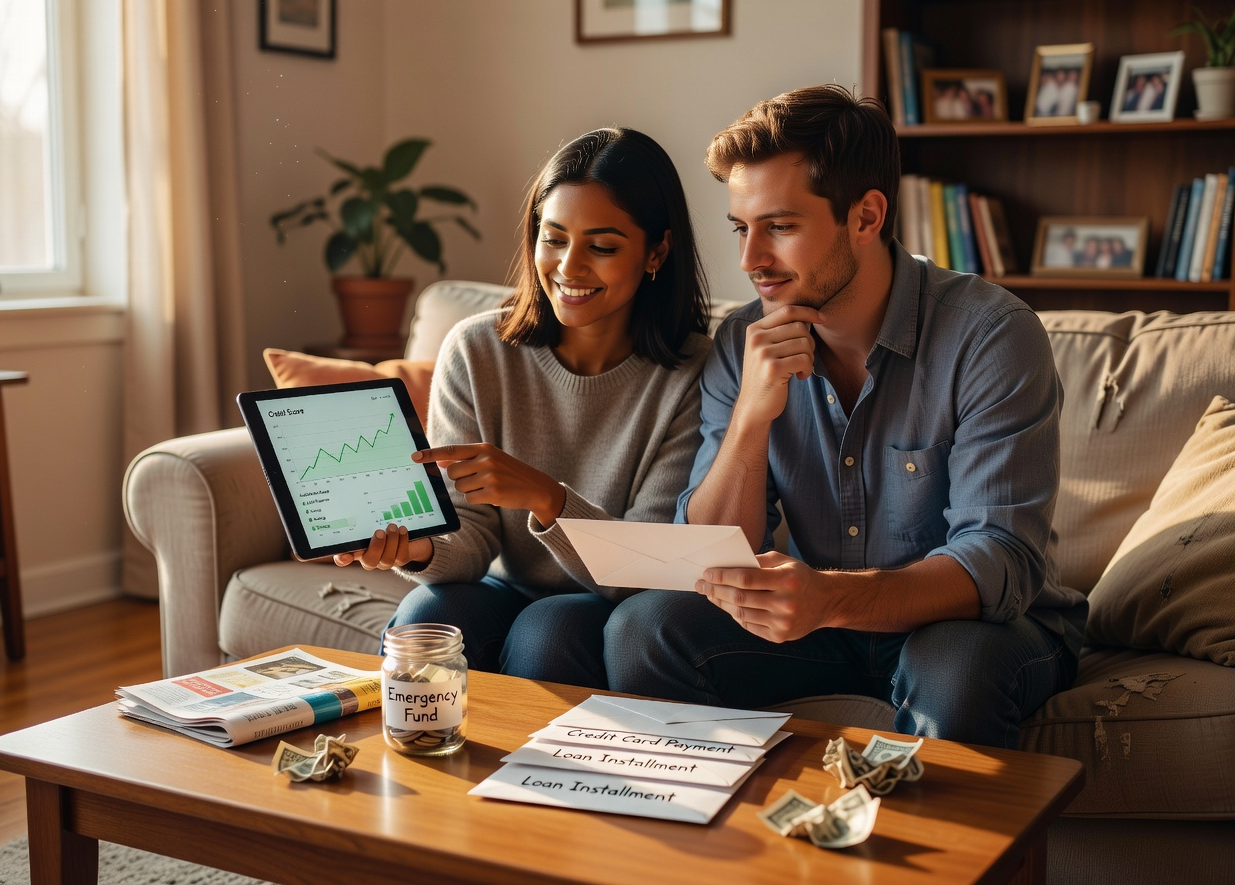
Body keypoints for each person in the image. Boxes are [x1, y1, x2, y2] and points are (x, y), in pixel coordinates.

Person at [604, 85, 1087, 750]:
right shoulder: (743, 340)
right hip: (819, 626)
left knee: (954, 668)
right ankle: (727, 845)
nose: (750, 261)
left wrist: (829, 597)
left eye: (780, 226)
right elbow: (711, 558)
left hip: (971, 629)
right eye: (742, 229)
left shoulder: (990, 334)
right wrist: (751, 418)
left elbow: (998, 559)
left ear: (866, 215)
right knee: (642, 629)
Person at [333, 127, 712, 689]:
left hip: (606, 601)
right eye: (553, 238)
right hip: (499, 584)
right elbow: (469, 541)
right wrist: (413, 548)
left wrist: (545, 496)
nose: (568, 267)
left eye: (602, 247)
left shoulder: (695, 374)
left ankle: (535, 780)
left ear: (656, 250)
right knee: (424, 622)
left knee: (548, 630)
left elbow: (644, 571)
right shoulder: (476, 349)